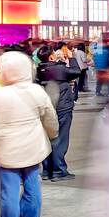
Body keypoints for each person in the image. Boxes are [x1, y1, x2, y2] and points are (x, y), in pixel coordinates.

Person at [0, 51, 58, 217]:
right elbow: (50, 118)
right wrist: (53, 135)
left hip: (7, 149)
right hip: (34, 147)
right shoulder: (37, 91)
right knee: (33, 187)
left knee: (9, 191)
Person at [37, 47, 77, 181]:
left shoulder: (39, 69)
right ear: (51, 57)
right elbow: (76, 71)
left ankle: (47, 170)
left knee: (48, 138)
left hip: (46, 107)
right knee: (61, 138)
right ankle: (58, 170)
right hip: (62, 107)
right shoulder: (58, 68)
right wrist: (71, 57)